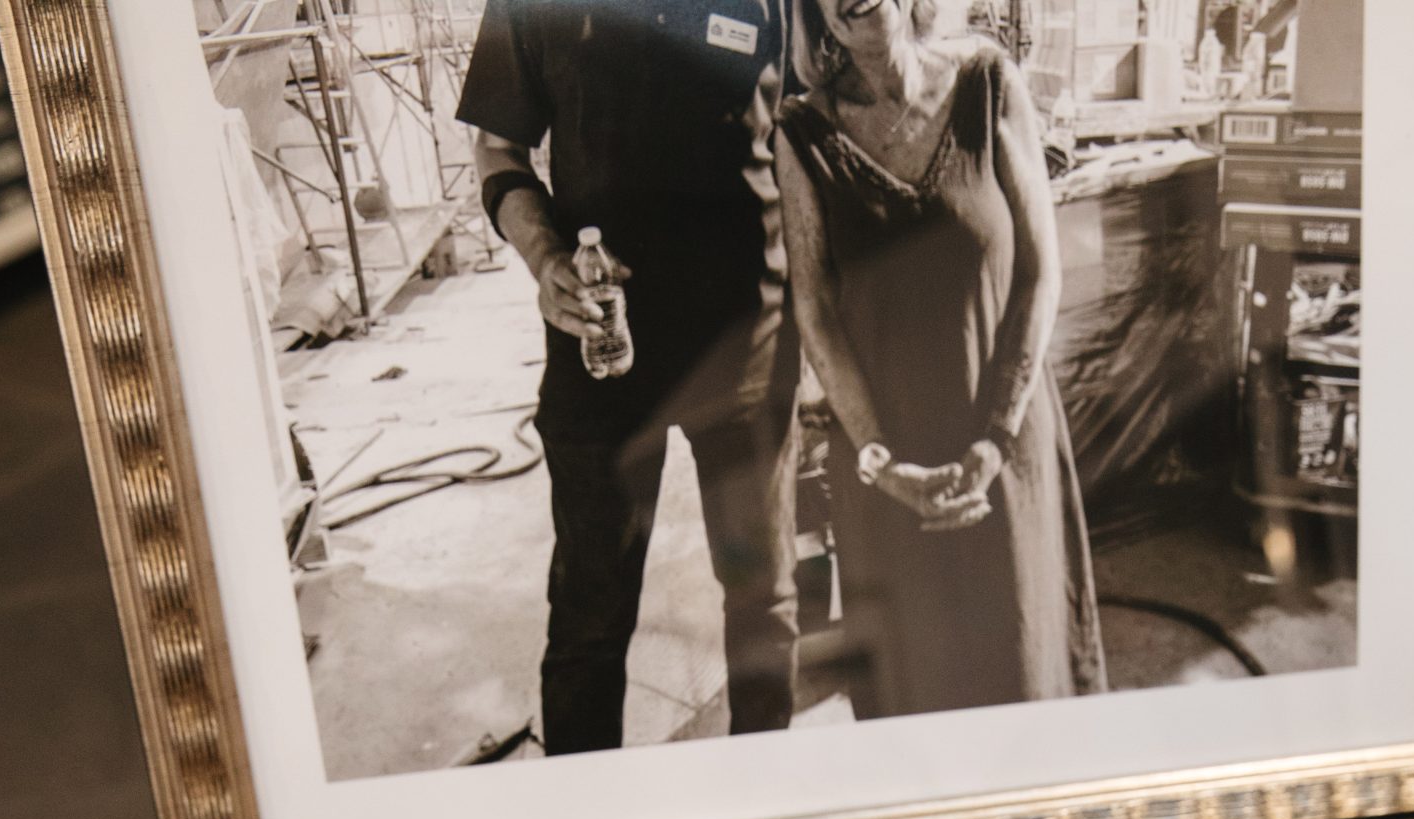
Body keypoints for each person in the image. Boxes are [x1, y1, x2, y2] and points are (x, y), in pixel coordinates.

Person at [458, 0, 801, 755]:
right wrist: (546, 259)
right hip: (598, 345)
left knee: (763, 602)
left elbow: (815, 136)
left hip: (748, 343)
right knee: (590, 615)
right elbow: (498, 146)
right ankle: (589, 815)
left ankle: (767, 796)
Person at [774, 0, 1105, 721]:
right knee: (913, 701)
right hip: (889, 471)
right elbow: (815, 312)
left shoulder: (988, 83)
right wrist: (882, 461)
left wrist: (995, 440)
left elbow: (1040, 272)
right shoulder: (801, 132)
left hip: (1003, 447)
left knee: (1023, 673)